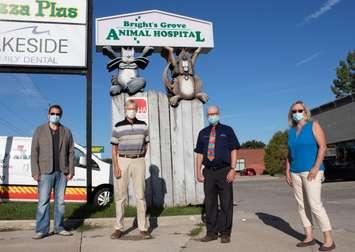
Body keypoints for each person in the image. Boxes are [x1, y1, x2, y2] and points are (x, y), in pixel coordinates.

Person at [286, 101, 335, 251]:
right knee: (302, 205)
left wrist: (315, 167)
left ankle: (329, 239)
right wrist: (287, 171)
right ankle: (309, 236)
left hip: (312, 171)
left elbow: (323, 146)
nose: (297, 113)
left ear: (305, 112)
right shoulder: (291, 131)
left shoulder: (313, 125)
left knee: (315, 205)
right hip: (295, 171)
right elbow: (289, 154)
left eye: (299, 110)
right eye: (294, 111)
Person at [194, 105, 240, 243]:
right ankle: (211, 232)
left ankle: (225, 233)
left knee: (226, 203)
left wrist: (233, 169)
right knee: (210, 203)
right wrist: (198, 172)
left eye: (214, 114)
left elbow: (234, 150)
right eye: (209, 114)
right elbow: (200, 154)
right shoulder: (203, 133)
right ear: (207, 116)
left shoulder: (227, 130)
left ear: (219, 114)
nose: (212, 116)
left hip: (224, 171)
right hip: (208, 172)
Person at [31, 104, 75, 239]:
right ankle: (42, 229)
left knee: (60, 202)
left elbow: (71, 152)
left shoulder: (66, 131)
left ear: (60, 116)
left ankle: (59, 227)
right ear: (48, 115)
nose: (55, 116)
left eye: (57, 114)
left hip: (62, 172)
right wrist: (35, 170)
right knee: (43, 201)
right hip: (45, 171)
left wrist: (71, 170)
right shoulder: (39, 130)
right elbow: (34, 152)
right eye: (53, 113)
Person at [110, 100, 151, 239]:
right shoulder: (118, 127)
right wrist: (116, 165)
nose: (131, 110)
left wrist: (139, 157)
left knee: (140, 195)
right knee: (121, 196)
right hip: (123, 160)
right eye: (129, 108)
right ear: (125, 109)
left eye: (133, 108)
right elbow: (114, 148)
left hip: (139, 160)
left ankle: (143, 228)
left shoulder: (143, 126)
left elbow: (146, 145)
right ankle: (118, 228)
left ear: (137, 109)